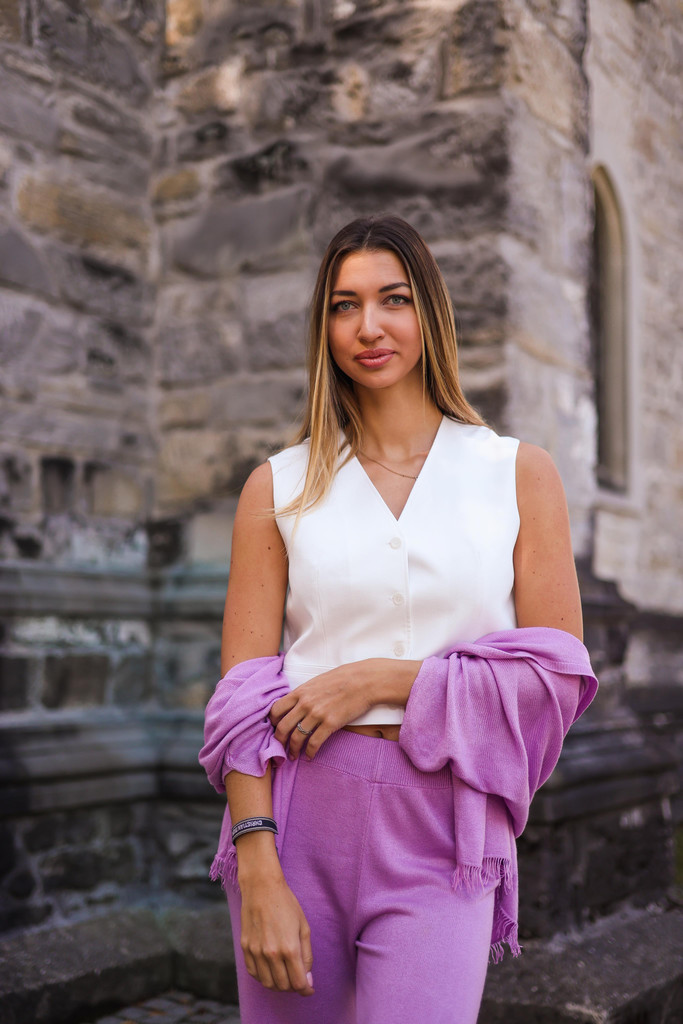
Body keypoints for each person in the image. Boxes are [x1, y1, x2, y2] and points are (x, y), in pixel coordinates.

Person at [200, 214, 597, 1024]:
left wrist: (381, 681)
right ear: (324, 328)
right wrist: (258, 863)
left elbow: (553, 678)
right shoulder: (277, 486)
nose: (368, 327)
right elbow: (240, 698)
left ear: (430, 313)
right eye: (343, 306)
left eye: (393, 299)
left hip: (442, 827)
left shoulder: (516, 474)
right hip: (298, 814)